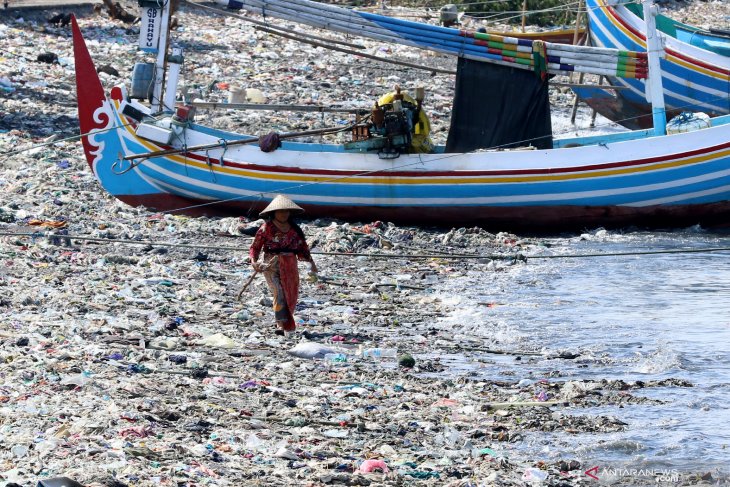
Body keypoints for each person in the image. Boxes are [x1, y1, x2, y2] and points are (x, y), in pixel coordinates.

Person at [249, 195, 318, 335]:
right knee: (279, 292)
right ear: (273, 212)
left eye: (286, 211)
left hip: (290, 264)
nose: (284, 214)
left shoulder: (294, 229)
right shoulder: (266, 228)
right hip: (271, 263)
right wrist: (253, 261)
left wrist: (312, 263)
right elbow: (255, 247)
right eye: (281, 211)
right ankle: (280, 325)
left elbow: (303, 248)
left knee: (290, 294)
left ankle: (286, 323)